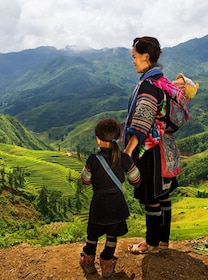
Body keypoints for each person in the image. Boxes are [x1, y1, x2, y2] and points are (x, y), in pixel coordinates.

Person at [123, 36, 198, 254]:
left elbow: (141, 124)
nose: (133, 61)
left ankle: (152, 244)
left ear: (146, 57)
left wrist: (127, 153)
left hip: (151, 151)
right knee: (162, 195)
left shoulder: (148, 86)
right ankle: (163, 241)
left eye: (135, 57)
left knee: (151, 199)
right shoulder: (163, 82)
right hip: (167, 147)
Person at [79, 118, 141, 277]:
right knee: (112, 234)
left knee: (92, 234)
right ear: (118, 139)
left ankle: (88, 261)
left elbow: (85, 181)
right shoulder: (124, 158)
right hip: (117, 204)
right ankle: (107, 263)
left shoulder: (93, 159)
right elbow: (136, 180)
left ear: (98, 139)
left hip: (99, 204)